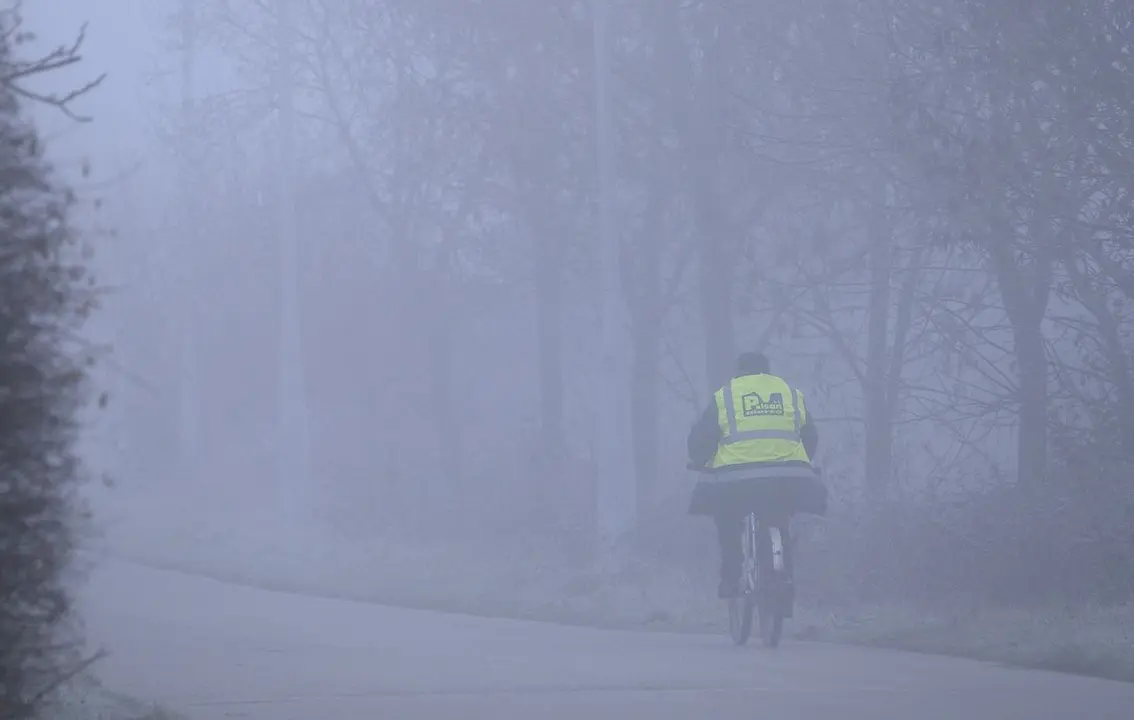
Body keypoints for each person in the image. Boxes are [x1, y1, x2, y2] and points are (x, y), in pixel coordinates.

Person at [686, 351, 827, 599]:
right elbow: (810, 437)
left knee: (727, 517)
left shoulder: (726, 396)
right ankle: (782, 574)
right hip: (787, 478)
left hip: (737, 480)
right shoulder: (791, 395)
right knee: (779, 514)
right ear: (768, 371)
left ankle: (731, 577)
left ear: (738, 371)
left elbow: (703, 437)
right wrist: (802, 462)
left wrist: (699, 460)